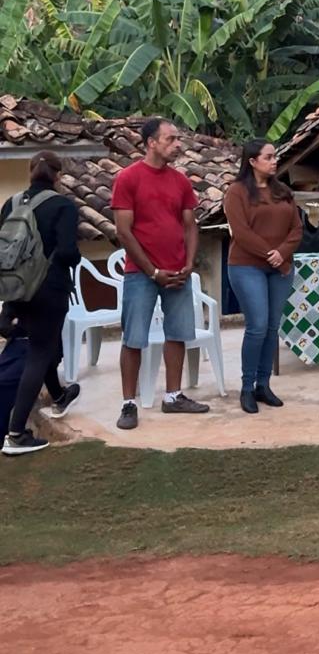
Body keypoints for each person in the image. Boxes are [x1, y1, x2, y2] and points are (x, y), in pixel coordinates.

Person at [111, 118, 209, 430]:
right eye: (171, 139)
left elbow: (190, 226)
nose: (177, 145)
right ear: (151, 143)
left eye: (178, 139)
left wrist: (189, 263)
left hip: (178, 272)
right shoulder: (128, 178)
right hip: (140, 274)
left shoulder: (181, 182)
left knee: (177, 333)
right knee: (134, 338)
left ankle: (173, 396)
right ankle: (129, 403)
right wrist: (152, 271)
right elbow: (124, 232)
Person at [1, 152, 81, 456]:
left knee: (43, 346)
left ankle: (59, 396)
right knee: (39, 352)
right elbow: (68, 252)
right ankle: (16, 434)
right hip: (49, 289)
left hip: (16, 288)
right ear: (57, 176)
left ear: (30, 171)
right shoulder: (63, 206)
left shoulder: (11, 204)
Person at [223, 139, 302, 414]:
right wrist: (272, 254)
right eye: (268, 157)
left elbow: (296, 228)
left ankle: (263, 385)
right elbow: (241, 232)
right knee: (257, 325)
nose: (274, 160)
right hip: (247, 266)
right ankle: (247, 387)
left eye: (274, 156)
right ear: (252, 161)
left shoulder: (283, 192)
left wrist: (282, 253)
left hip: (280, 268)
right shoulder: (237, 192)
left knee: (271, 327)